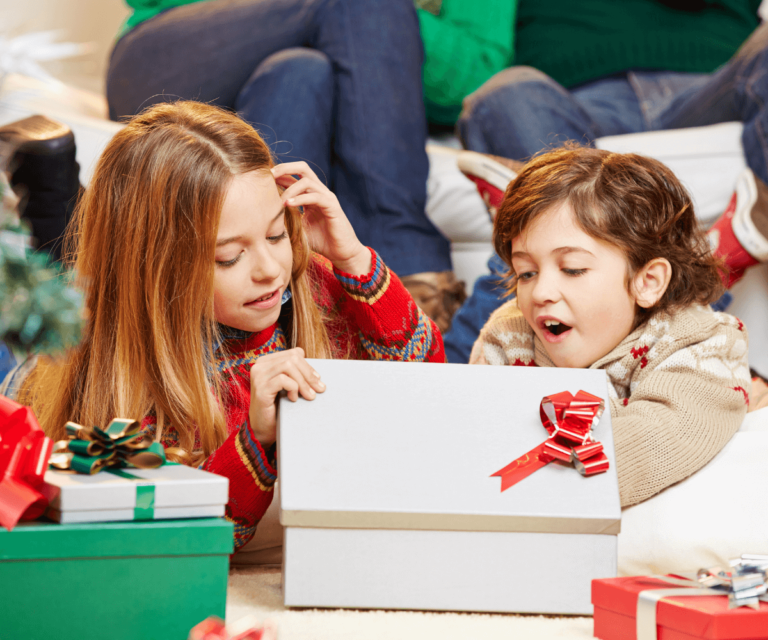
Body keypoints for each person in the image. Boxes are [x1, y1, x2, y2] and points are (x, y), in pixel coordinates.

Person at [15, 101, 444, 550]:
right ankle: (48, 191)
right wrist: (255, 437)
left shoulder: (310, 279)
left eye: (277, 234)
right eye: (228, 257)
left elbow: (430, 388)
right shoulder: (129, 384)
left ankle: (49, 193)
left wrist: (354, 259)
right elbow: (192, 540)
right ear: (155, 274)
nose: (269, 270)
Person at [106, 0, 465, 333]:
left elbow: (467, 78)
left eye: (276, 236)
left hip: (301, 65)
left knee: (300, 72)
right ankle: (408, 268)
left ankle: (299, 317)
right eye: (228, 257)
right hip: (165, 46)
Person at [447, 0, 766, 362]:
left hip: (715, 85)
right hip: (575, 100)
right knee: (503, 94)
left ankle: (531, 209)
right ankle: (720, 256)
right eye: (526, 274)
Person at [470, 146, 751, 507]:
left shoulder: (702, 342)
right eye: (526, 272)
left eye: (572, 269)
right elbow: (473, 432)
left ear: (647, 281)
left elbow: (660, 438)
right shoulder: (510, 333)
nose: (540, 292)